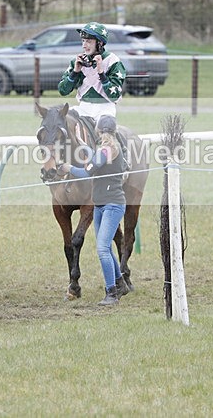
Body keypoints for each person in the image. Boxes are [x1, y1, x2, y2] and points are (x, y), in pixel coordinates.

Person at [59, 115, 129, 306]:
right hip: (100, 205)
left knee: (102, 249)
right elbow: (95, 158)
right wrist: (83, 144)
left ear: (98, 131)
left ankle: (111, 293)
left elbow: (87, 171)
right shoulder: (107, 149)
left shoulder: (107, 150)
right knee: (105, 247)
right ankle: (120, 283)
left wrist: (68, 167)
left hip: (111, 206)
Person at [58, 22, 126, 122]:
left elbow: (114, 97)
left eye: (89, 41)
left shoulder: (113, 61)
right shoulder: (77, 61)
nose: (84, 46)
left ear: (100, 43)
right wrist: (75, 72)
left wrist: (101, 73)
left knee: (106, 127)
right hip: (83, 107)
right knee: (62, 120)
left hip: (105, 108)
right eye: (83, 41)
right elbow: (63, 91)